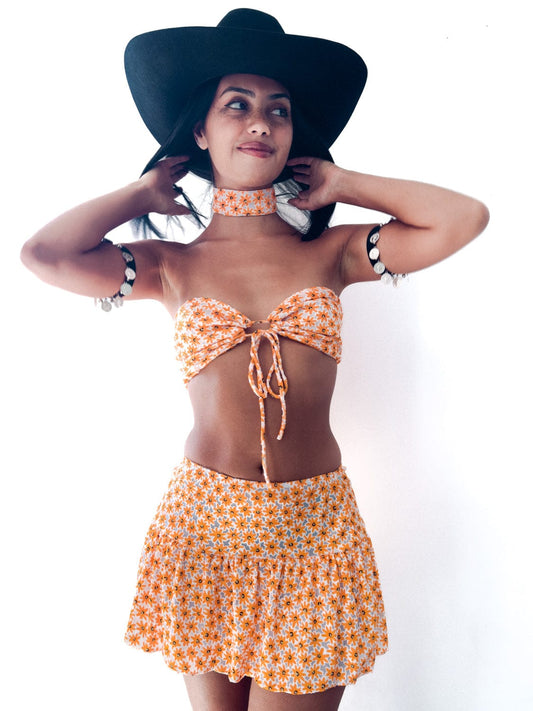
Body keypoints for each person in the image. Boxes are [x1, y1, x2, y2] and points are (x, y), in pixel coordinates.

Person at [20, 9, 489, 711]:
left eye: (278, 110)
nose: (260, 123)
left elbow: (463, 218)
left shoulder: (333, 253)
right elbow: (43, 255)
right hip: (203, 527)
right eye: (236, 106)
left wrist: (343, 183)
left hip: (311, 531)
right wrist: (142, 191)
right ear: (200, 131)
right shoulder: (169, 265)